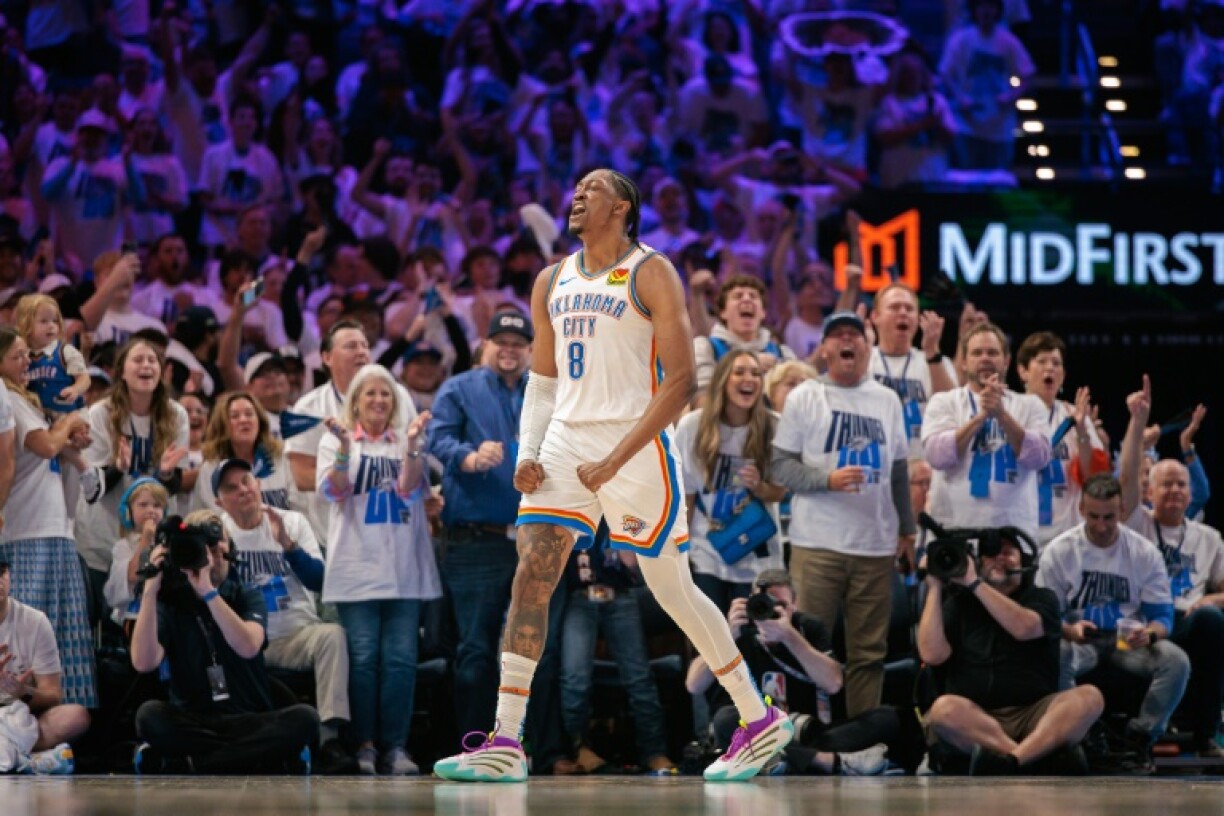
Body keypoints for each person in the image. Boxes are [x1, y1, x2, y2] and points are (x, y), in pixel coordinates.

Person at [433, 169, 793, 784]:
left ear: (622, 206)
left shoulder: (652, 270)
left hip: (639, 440)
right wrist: (530, 449)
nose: (577, 195)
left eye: (592, 188)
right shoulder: (552, 279)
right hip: (568, 439)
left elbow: (681, 383)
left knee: (672, 590)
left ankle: (759, 720)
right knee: (532, 576)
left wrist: (618, 459)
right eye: (575, 188)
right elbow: (543, 382)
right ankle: (506, 740)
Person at [771, 311, 914, 716]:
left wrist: (907, 529)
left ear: (867, 348)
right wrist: (826, 480)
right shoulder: (805, 396)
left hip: (875, 546)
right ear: (825, 349)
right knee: (807, 643)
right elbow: (781, 467)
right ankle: (808, 732)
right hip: (817, 545)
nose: (847, 341)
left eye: (855, 334)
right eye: (838, 335)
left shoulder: (887, 399)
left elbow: (900, 470)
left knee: (870, 651)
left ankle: (861, 735)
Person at [129, 510, 320, 774]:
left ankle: (193, 763)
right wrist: (150, 590)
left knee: (305, 719)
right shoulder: (169, 602)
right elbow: (143, 662)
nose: (210, 556)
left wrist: (208, 593)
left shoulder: (245, 594)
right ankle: (259, 759)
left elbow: (248, 646)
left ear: (230, 550)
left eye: (218, 546)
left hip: (249, 718)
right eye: (202, 547)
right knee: (148, 716)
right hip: (194, 720)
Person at [317, 364, 438, 776]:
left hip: (404, 567)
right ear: (354, 401)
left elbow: (409, 486)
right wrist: (344, 449)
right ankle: (365, 745)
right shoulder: (336, 440)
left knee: (402, 660)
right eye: (369, 393)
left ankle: (397, 747)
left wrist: (413, 444)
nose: (378, 401)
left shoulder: (407, 441)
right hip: (356, 567)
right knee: (364, 659)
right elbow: (334, 489)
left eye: (385, 394)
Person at [428, 312, 536, 740]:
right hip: (476, 541)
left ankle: (529, 750)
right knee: (475, 649)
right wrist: (467, 457)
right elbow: (437, 437)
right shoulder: (458, 388)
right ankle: (473, 744)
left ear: (530, 350)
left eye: (518, 343)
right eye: (501, 342)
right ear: (484, 345)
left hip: (534, 541)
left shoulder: (544, 391)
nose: (509, 350)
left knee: (531, 652)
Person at [919, 528, 1104, 775]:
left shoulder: (1041, 597)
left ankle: (1011, 761)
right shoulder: (959, 603)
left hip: (1035, 715)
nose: (1000, 558)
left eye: (1008, 552)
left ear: (1023, 561)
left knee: (1090, 697)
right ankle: (1031, 757)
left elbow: (1025, 628)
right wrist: (934, 587)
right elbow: (932, 655)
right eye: (991, 554)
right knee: (943, 710)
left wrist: (976, 584)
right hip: (977, 718)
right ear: (976, 562)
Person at [213, 459, 353, 772]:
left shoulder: (291, 522)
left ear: (258, 483)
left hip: (295, 636)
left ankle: (330, 740)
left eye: (247, 481)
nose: (243, 490)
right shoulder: (219, 531)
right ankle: (232, 740)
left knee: (332, 636)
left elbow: (320, 582)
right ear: (219, 501)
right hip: (245, 642)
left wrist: (289, 547)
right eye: (231, 488)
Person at [687, 569, 898, 776]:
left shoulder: (807, 628)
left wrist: (789, 636)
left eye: (780, 606)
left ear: (794, 607)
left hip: (805, 734)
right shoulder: (736, 631)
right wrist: (724, 636)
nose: (771, 612)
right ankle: (824, 762)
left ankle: (783, 760)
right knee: (726, 719)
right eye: (763, 604)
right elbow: (693, 685)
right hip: (753, 733)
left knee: (886, 718)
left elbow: (833, 683)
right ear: (749, 603)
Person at [1120, 380, 1224, 757]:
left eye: (1181, 485)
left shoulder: (1209, 537)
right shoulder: (1137, 524)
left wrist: (1209, 599)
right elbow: (1128, 477)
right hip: (1139, 622)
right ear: (1150, 492)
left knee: (1213, 621)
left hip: (1188, 620)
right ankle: (1138, 735)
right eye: (1166, 485)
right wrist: (1137, 424)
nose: (1176, 491)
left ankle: (1205, 734)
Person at [0, 328, 96, 708]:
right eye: (17, 356)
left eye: (28, 354)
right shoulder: (7, 397)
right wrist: (69, 423)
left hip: (53, 526)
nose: (28, 363)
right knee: (29, 639)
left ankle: (65, 722)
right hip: (26, 529)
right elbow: (44, 446)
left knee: (62, 632)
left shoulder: (29, 402)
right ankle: (21, 719)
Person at [76, 339, 190, 617]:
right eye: (138, 360)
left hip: (151, 539)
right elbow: (93, 488)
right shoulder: (100, 414)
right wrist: (118, 467)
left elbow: (174, 486)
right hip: (102, 538)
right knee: (103, 629)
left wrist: (165, 474)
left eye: (152, 360)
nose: (146, 366)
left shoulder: (175, 414)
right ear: (122, 372)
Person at [559, 522, 677, 774]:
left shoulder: (624, 502)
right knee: (574, 678)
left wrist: (629, 547)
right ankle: (577, 748)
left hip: (621, 595)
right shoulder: (570, 501)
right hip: (579, 596)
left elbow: (636, 562)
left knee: (639, 677)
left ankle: (655, 751)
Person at [675, 350, 786, 613]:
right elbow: (686, 496)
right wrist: (680, 554)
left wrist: (759, 487)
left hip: (759, 553)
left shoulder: (774, 426)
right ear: (722, 380)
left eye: (756, 373)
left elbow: (779, 493)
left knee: (752, 638)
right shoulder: (692, 426)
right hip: (706, 551)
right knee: (709, 638)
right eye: (739, 372)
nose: (749, 379)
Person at [921, 323, 1051, 535]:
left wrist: (1001, 415)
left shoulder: (1030, 405)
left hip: (1012, 533)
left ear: (1006, 361)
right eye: (977, 353)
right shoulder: (943, 402)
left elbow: (1039, 458)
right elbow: (937, 456)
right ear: (963, 362)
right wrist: (980, 416)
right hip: (952, 530)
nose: (985, 358)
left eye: (992, 352)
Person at [1014, 332, 1110, 548]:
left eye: (1056, 363)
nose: (1050, 368)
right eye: (1041, 361)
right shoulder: (1010, 412)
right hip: (1018, 533)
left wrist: (1083, 433)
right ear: (1023, 371)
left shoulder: (1075, 416)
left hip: (1066, 538)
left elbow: (1095, 478)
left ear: (1063, 375)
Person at [0, 560, 91, 774]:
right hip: (15, 729)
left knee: (75, 717)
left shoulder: (35, 621)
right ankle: (24, 759)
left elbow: (53, 696)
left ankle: (14, 754)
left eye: (2, 572)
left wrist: (23, 692)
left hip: (20, 717)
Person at [869, 284, 956, 460]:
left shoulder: (936, 361)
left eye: (909, 309)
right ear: (875, 316)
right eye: (894, 307)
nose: (903, 312)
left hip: (921, 469)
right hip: (876, 465)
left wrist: (932, 353)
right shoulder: (865, 360)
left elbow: (952, 409)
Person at [693, 275, 797, 400]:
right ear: (723, 312)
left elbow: (797, 398)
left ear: (763, 313)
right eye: (738, 296)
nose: (747, 299)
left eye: (753, 296)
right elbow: (702, 397)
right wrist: (750, 364)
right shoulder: (705, 347)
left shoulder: (783, 354)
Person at [192, 392, 292, 512]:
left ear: (259, 421)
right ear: (223, 425)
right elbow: (214, 518)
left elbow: (298, 509)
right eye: (234, 416)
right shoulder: (211, 469)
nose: (244, 420)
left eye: (249, 414)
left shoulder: (281, 459)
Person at [104, 478, 171, 625]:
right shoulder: (123, 547)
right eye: (143, 505)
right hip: (133, 615)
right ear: (128, 511)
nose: (151, 510)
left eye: (157, 505)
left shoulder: (168, 545)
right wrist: (146, 539)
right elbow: (134, 575)